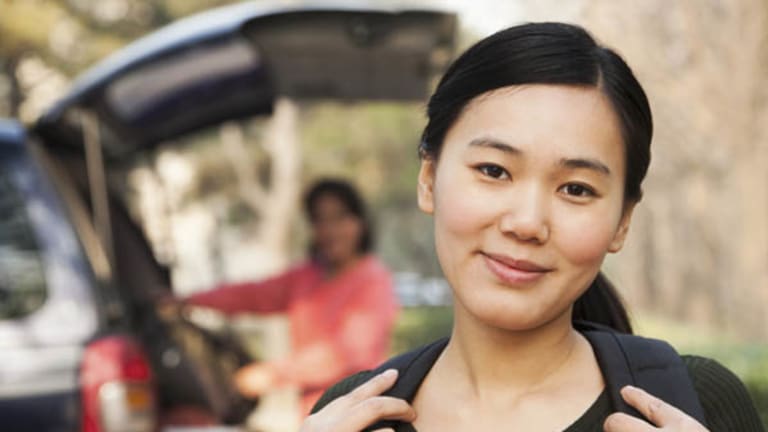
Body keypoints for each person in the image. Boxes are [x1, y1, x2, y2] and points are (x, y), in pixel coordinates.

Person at [302, 23, 765, 432]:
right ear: (429, 179)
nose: (526, 223)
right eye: (493, 170)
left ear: (622, 221)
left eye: (576, 189)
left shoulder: (697, 404)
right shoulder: (347, 417)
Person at [183, 179, 399, 417]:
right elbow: (253, 294)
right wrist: (188, 301)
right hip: (312, 416)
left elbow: (346, 353)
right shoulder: (307, 277)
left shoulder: (373, 280)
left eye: (339, 218)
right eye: (319, 220)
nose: (329, 230)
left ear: (360, 223)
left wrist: (270, 375)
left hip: (358, 414)